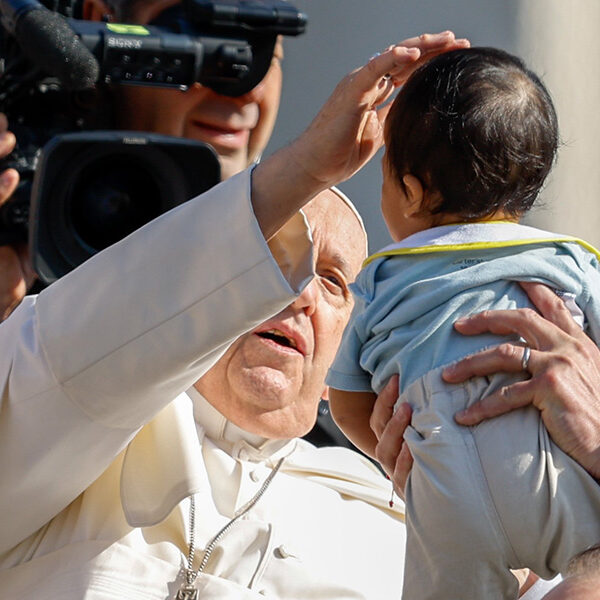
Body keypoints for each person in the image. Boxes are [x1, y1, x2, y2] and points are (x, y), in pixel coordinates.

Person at [0, 20, 474, 598]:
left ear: (348, 361)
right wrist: (304, 169)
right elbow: (71, 356)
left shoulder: (411, 534)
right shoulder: (59, 433)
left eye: (331, 281)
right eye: (275, 257)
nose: (296, 293)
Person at [326, 47, 600, 599]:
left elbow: (345, 399)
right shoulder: (571, 262)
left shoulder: (380, 279)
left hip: (446, 471)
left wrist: (401, 461)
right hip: (556, 458)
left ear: (409, 189)